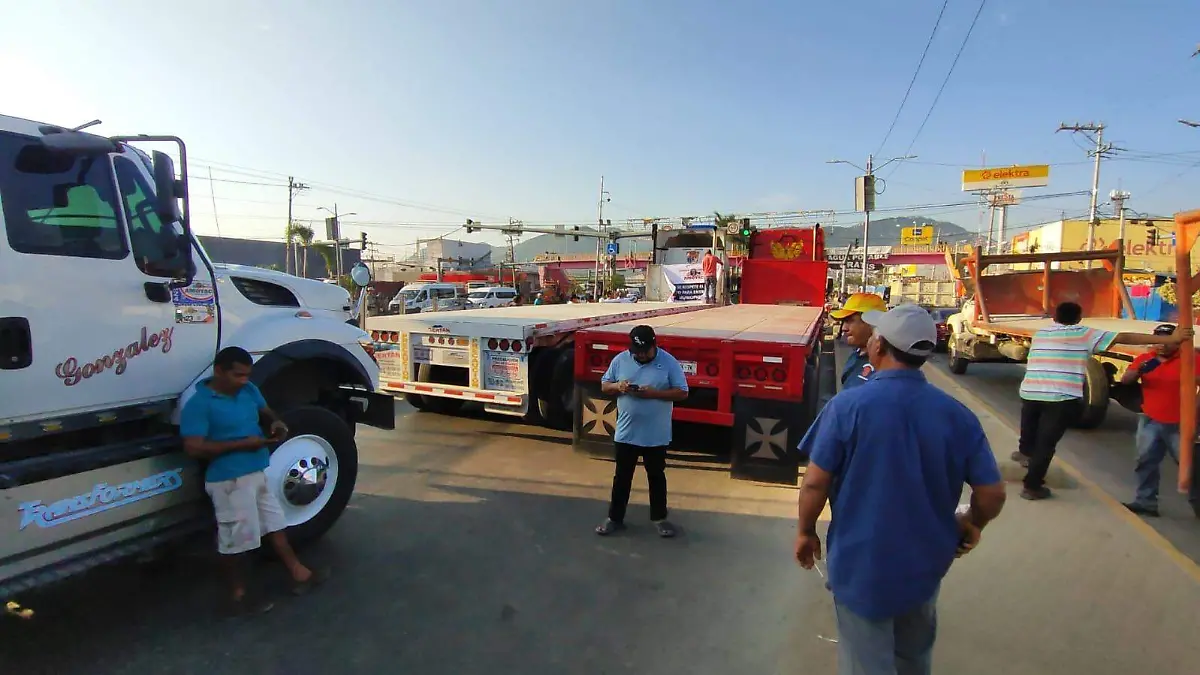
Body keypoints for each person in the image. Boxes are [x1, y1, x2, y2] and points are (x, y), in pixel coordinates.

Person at [795, 304, 1007, 675]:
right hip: (926, 561)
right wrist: (974, 523)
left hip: (862, 562)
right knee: (913, 656)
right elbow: (992, 494)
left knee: (866, 662)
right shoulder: (957, 415)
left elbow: (815, 481)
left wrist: (804, 531)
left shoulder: (849, 406)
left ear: (879, 346)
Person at [180, 346, 329, 617]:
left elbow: (266, 410)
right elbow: (193, 447)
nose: (244, 380)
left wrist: (276, 423)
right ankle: (236, 596)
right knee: (237, 541)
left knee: (275, 526)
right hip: (229, 480)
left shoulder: (248, 391)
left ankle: (299, 573)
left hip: (257, 471)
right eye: (237, 375)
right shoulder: (200, 404)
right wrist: (241, 445)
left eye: (247, 375)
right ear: (219, 372)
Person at [1013, 302, 1191, 501]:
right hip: (1060, 398)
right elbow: (1124, 337)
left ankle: (1026, 453)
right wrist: (1172, 338)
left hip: (1030, 393)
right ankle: (1032, 486)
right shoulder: (1083, 333)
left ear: (1054, 318)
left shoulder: (1041, 334)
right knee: (1045, 444)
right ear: (1079, 318)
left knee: (1030, 437)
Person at [595, 325, 689, 538]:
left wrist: (655, 393)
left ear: (653, 345)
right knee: (622, 477)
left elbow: (682, 392)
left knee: (656, 476)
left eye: (644, 351)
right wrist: (619, 386)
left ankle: (660, 518)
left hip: (656, 435)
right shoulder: (621, 360)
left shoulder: (668, 362)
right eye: (635, 351)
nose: (639, 355)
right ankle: (615, 519)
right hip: (626, 433)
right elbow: (604, 386)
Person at [1118, 323, 1200, 518]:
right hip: (1150, 420)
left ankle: (1197, 504)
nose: (1162, 345)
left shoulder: (1191, 359)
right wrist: (1139, 370)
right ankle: (1145, 502)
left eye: (1167, 341)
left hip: (1180, 423)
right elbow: (1125, 380)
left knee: (1190, 467)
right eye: (1159, 340)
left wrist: (1195, 413)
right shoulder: (1146, 359)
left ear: (1177, 341)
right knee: (1146, 462)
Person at [827, 292, 887, 391]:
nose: (844, 328)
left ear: (871, 323)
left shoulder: (883, 367)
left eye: (850, 321)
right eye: (844, 322)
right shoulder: (858, 354)